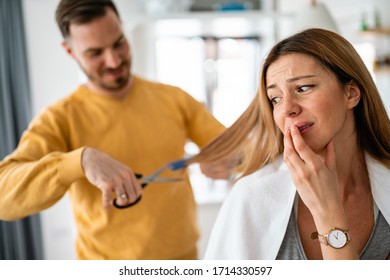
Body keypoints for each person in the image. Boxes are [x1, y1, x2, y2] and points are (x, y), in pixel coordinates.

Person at [0, 0, 229, 260]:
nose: (114, 60)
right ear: (70, 51)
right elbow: (3, 196)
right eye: (95, 53)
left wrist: (231, 160)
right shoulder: (59, 118)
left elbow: (236, 146)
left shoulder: (174, 99)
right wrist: (80, 161)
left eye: (118, 42)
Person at [189, 28, 390, 260]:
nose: (287, 109)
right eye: (276, 98)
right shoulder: (250, 197)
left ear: (351, 93)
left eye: (303, 88)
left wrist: (328, 212)